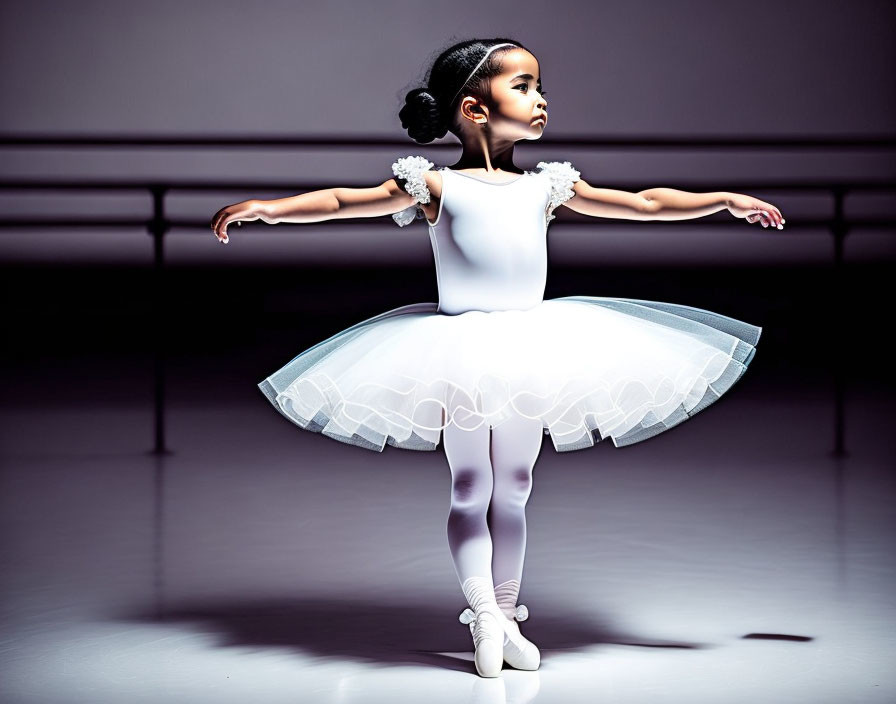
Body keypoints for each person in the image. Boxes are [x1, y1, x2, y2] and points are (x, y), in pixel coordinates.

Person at [210, 37, 784, 678]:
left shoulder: (548, 186)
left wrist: (721, 200)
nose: (541, 101)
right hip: (455, 350)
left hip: (533, 347)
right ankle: (483, 612)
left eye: (540, 88)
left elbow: (643, 203)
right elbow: (344, 200)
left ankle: (506, 615)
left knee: (514, 486)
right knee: (469, 485)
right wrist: (272, 211)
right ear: (474, 109)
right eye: (524, 87)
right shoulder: (432, 184)